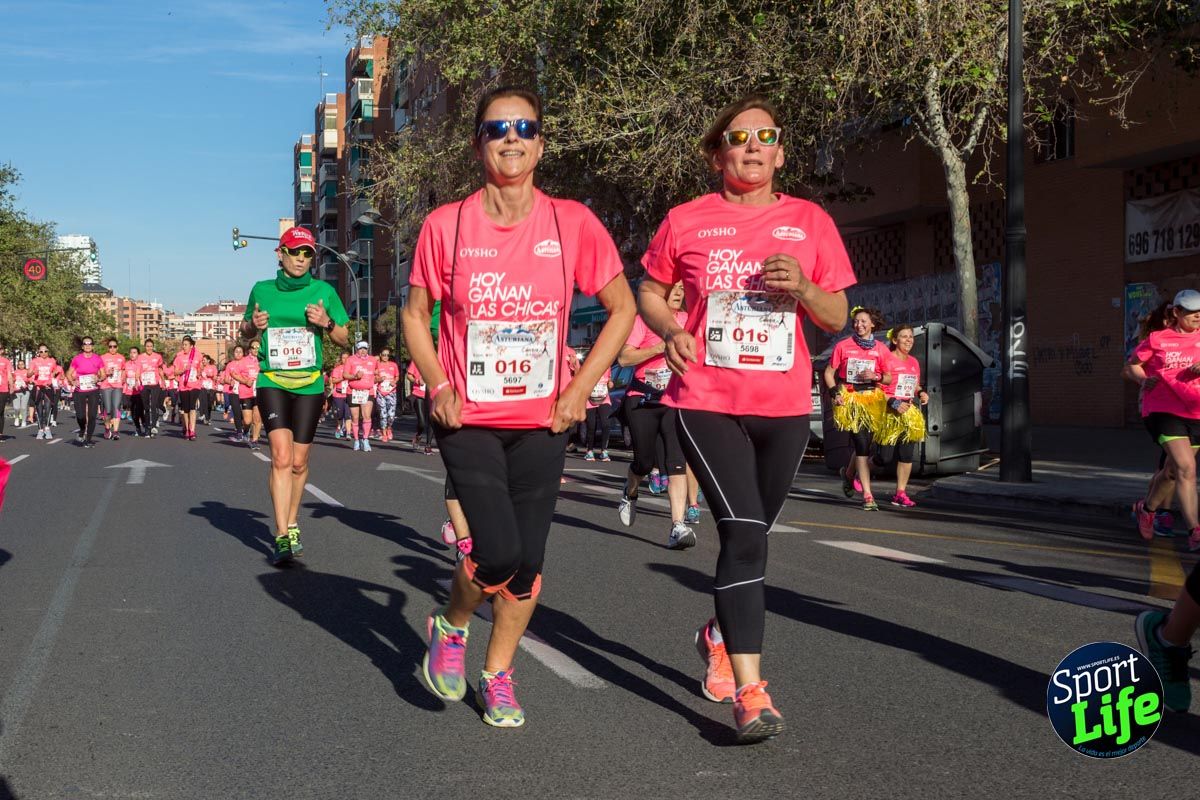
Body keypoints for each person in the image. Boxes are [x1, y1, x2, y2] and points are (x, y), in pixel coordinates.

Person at [403, 86, 635, 728]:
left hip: (544, 420)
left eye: (525, 127)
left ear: (541, 142)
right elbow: (415, 316)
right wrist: (437, 383)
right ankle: (451, 626)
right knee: (498, 551)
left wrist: (580, 387)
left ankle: (498, 673)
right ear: (477, 142)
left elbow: (622, 308)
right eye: (497, 127)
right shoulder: (445, 224)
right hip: (467, 417)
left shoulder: (572, 223)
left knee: (528, 568)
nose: (512, 138)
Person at [638, 95, 854, 742]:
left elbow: (837, 316)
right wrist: (671, 327)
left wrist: (806, 290)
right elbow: (648, 289)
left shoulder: (809, 221)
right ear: (719, 152)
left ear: (780, 152)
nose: (753, 146)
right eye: (739, 137)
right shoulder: (684, 221)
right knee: (746, 532)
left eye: (766, 136)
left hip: (784, 407)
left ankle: (716, 633)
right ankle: (752, 692)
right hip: (705, 397)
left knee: (748, 538)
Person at [241, 225, 350, 564]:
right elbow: (245, 330)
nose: (301, 259)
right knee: (281, 457)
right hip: (273, 380)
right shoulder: (262, 289)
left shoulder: (323, 291)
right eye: (295, 252)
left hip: (310, 384)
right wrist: (253, 325)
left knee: (300, 463)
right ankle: (281, 534)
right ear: (281, 254)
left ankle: (292, 521)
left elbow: (344, 338)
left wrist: (326, 323)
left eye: (307, 254)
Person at [616, 280, 696, 548]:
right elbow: (624, 359)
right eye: (673, 288)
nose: (677, 293)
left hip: (673, 400)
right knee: (643, 462)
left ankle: (678, 525)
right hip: (642, 399)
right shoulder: (643, 321)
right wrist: (659, 347)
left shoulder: (688, 319)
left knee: (676, 463)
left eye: (682, 290)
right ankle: (630, 490)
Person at [824, 307, 892, 511]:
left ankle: (847, 474)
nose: (858, 325)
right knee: (861, 444)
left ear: (872, 324)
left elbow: (888, 377)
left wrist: (877, 377)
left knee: (866, 445)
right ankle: (868, 495)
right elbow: (829, 373)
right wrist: (835, 393)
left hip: (872, 400)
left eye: (863, 322)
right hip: (850, 398)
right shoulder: (843, 346)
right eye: (855, 321)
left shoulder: (881, 348)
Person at [1126, 300, 1178, 538]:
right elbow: (1128, 368)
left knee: (1171, 464)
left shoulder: (1189, 339)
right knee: (1173, 463)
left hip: (1185, 406)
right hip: (1158, 407)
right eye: (1169, 319)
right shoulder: (1155, 340)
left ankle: (1149, 508)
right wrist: (1145, 379)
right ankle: (1159, 512)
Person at [875, 324, 928, 506]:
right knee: (884, 458)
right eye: (904, 337)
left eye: (911, 337)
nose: (908, 340)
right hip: (889, 411)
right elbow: (877, 389)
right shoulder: (887, 360)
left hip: (908, 412)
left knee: (906, 455)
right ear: (895, 340)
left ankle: (900, 493)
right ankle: (859, 470)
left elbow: (915, 385)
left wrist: (921, 393)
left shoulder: (913, 362)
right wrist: (893, 402)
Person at [66, 335, 104, 447]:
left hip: (93, 389)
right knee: (81, 416)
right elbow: (68, 373)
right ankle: (82, 429)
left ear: (92, 346)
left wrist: (98, 378)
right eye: (85, 344)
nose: (88, 346)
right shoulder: (77, 358)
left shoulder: (97, 358)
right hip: (79, 390)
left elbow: (103, 374)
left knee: (92, 415)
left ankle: (88, 439)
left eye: (90, 344)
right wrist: (73, 382)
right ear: (82, 346)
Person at [344, 341, 378, 452]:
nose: (363, 351)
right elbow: (345, 375)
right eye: (360, 349)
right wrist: (355, 376)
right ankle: (357, 440)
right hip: (353, 391)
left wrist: (379, 378)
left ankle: (366, 439)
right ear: (357, 349)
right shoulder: (350, 359)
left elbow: (376, 373)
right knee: (355, 417)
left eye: (365, 348)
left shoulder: (373, 360)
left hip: (368, 391)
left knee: (366, 416)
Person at [581, 350, 614, 462]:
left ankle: (604, 450)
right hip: (590, 400)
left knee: (606, 424)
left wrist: (610, 383)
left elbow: (609, 381)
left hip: (604, 398)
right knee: (591, 425)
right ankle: (589, 451)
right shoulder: (587, 367)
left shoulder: (607, 367)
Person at [171, 336, 203, 441]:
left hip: (195, 385)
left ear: (191, 346)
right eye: (183, 344)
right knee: (186, 408)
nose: (184, 346)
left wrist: (198, 373)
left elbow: (200, 368)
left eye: (186, 345)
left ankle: (192, 430)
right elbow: (175, 372)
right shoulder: (179, 357)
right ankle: (187, 428)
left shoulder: (197, 356)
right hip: (183, 385)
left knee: (192, 407)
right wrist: (183, 370)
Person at [136, 339, 166, 436]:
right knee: (146, 407)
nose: (149, 348)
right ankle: (147, 427)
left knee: (153, 405)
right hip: (144, 384)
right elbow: (138, 370)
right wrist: (137, 380)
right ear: (145, 347)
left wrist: (163, 380)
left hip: (155, 384)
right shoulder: (140, 357)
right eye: (147, 346)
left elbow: (160, 369)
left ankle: (153, 426)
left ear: (153, 347)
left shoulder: (158, 357)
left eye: (151, 346)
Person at [98, 337, 126, 440]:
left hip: (117, 386)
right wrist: (106, 373)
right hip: (106, 386)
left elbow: (123, 370)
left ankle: (115, 432)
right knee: (108, 409)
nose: (112, 348)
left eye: (114, 346)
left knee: (116, 407)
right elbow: (99, 372)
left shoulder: (121, 358)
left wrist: (123, 378)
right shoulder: (102, 357)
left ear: (117, 347)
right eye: (110, 347)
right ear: (108, 348)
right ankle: (107, 429)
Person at [28, 344, 58, 440]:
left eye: (45, 351)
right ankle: (40, 430)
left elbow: (55, 371)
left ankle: (48, 429)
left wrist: (52, 377)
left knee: (48, 408)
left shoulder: (52, 361)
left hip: (48, 387)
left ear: (48, 351)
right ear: (38, 352)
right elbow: (28, 374)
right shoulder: (34, 361)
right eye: (41, 351)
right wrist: (33, 373)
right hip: (38, 387)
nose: (43, 353)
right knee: (39, 409)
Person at [406, 360, 433, 453]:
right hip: (419, 394)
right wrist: (417, 380)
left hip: (432, 395)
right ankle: (418, 435)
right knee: (422, 422)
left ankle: (428, 445)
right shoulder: (416, 360)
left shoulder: (436, 361)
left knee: (431, 420)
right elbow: (408, 375)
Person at [376, 347, 401, 442]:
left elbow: (397, 376)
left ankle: (389, 427)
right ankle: (384, 432)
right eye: (383, 355)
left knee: (391, 415)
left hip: (391, 392)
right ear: (380, 355)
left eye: (387, 355)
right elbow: (374, 378)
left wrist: (394, 381)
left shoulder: (393, 365)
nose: (385, 357)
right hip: (381, 392)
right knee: (383, 414)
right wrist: (379, 379)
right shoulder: (377, 365)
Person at [122, 346, 146, 437]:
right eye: (131, 352)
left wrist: (138, 382)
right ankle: (138, 428)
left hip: (139, 391)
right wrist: (123, 379)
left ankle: (144, 423)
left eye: (134, 352)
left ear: (138, 354)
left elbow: (142, 376)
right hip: (129, 391)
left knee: (139, 411)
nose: (132, 354)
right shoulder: (126, 364)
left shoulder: (140, 364)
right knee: (132, 411)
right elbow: (123, 376)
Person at [0, 346, 11, 442]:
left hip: (3, 389)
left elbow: (9, 375)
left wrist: (11, 386)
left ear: (2, 350)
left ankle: (0, 433)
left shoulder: (6, 361)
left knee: (1, 410)